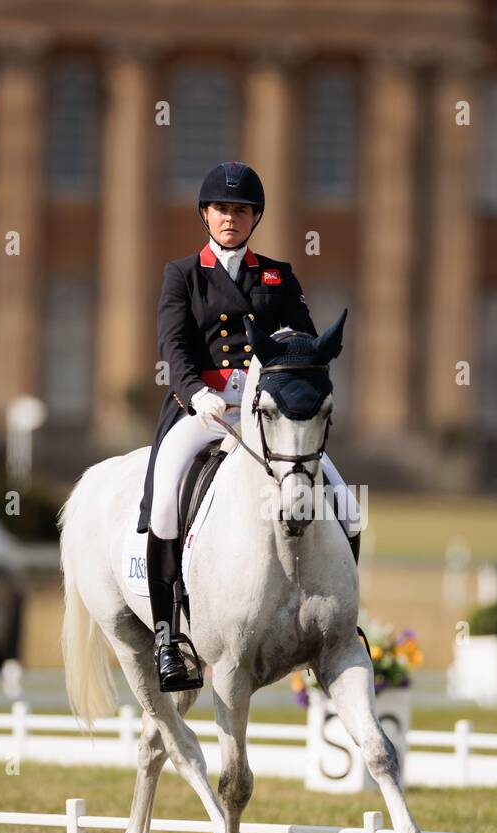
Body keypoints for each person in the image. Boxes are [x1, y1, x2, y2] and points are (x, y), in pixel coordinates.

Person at [138, 160, 362, 692]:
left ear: (254, 217)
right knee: (167, 499)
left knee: (349, 508)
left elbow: (305, 345)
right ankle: (169, 638)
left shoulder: (278, 275)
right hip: (204, 410)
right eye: (222, 209)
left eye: (241, 210)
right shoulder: (182, 275)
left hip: (268, 414)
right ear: (206, 215)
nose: (230, 218)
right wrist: (197, 394)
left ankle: (343, 624)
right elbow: (173, 345)